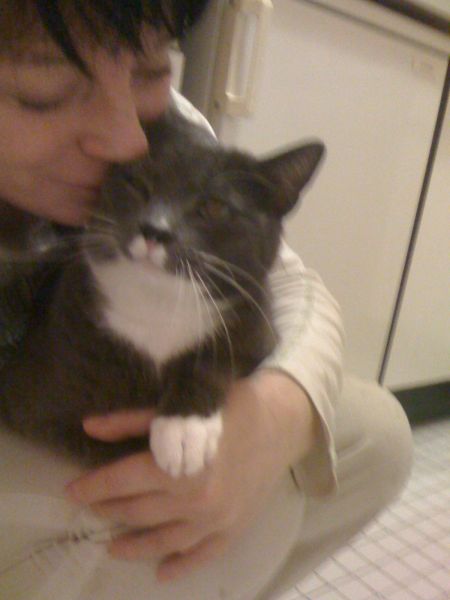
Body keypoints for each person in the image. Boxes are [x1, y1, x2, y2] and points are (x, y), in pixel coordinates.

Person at [0, 1, 413, 599]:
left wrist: (274, 416)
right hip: (33, 408)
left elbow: (294, 286)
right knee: (143, 543)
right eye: (46, 91)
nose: (125, 138)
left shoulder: (165, 128)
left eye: (150, 69)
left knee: (376, 435)